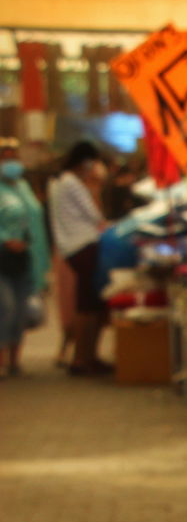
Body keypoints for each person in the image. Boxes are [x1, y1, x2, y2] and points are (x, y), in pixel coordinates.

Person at [50, 141, 109, 375]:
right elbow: (95, 215)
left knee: (88, 303)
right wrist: (95, 185)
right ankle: (83, 358)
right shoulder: (72, 184)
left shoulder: (58, 182)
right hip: (83, 245)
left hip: (70, 247)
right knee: (88, 305)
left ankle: (86, 357)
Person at [0, 140, 50, 376]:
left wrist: (42, 262)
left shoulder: (23, 187)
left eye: (13, 157)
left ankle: (14, 361)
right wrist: (5, 239)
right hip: (2, 258)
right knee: (5, 307)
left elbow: (35, 224)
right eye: (4, 158)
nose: (9, 163)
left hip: (25, 259)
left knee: (21, 311)